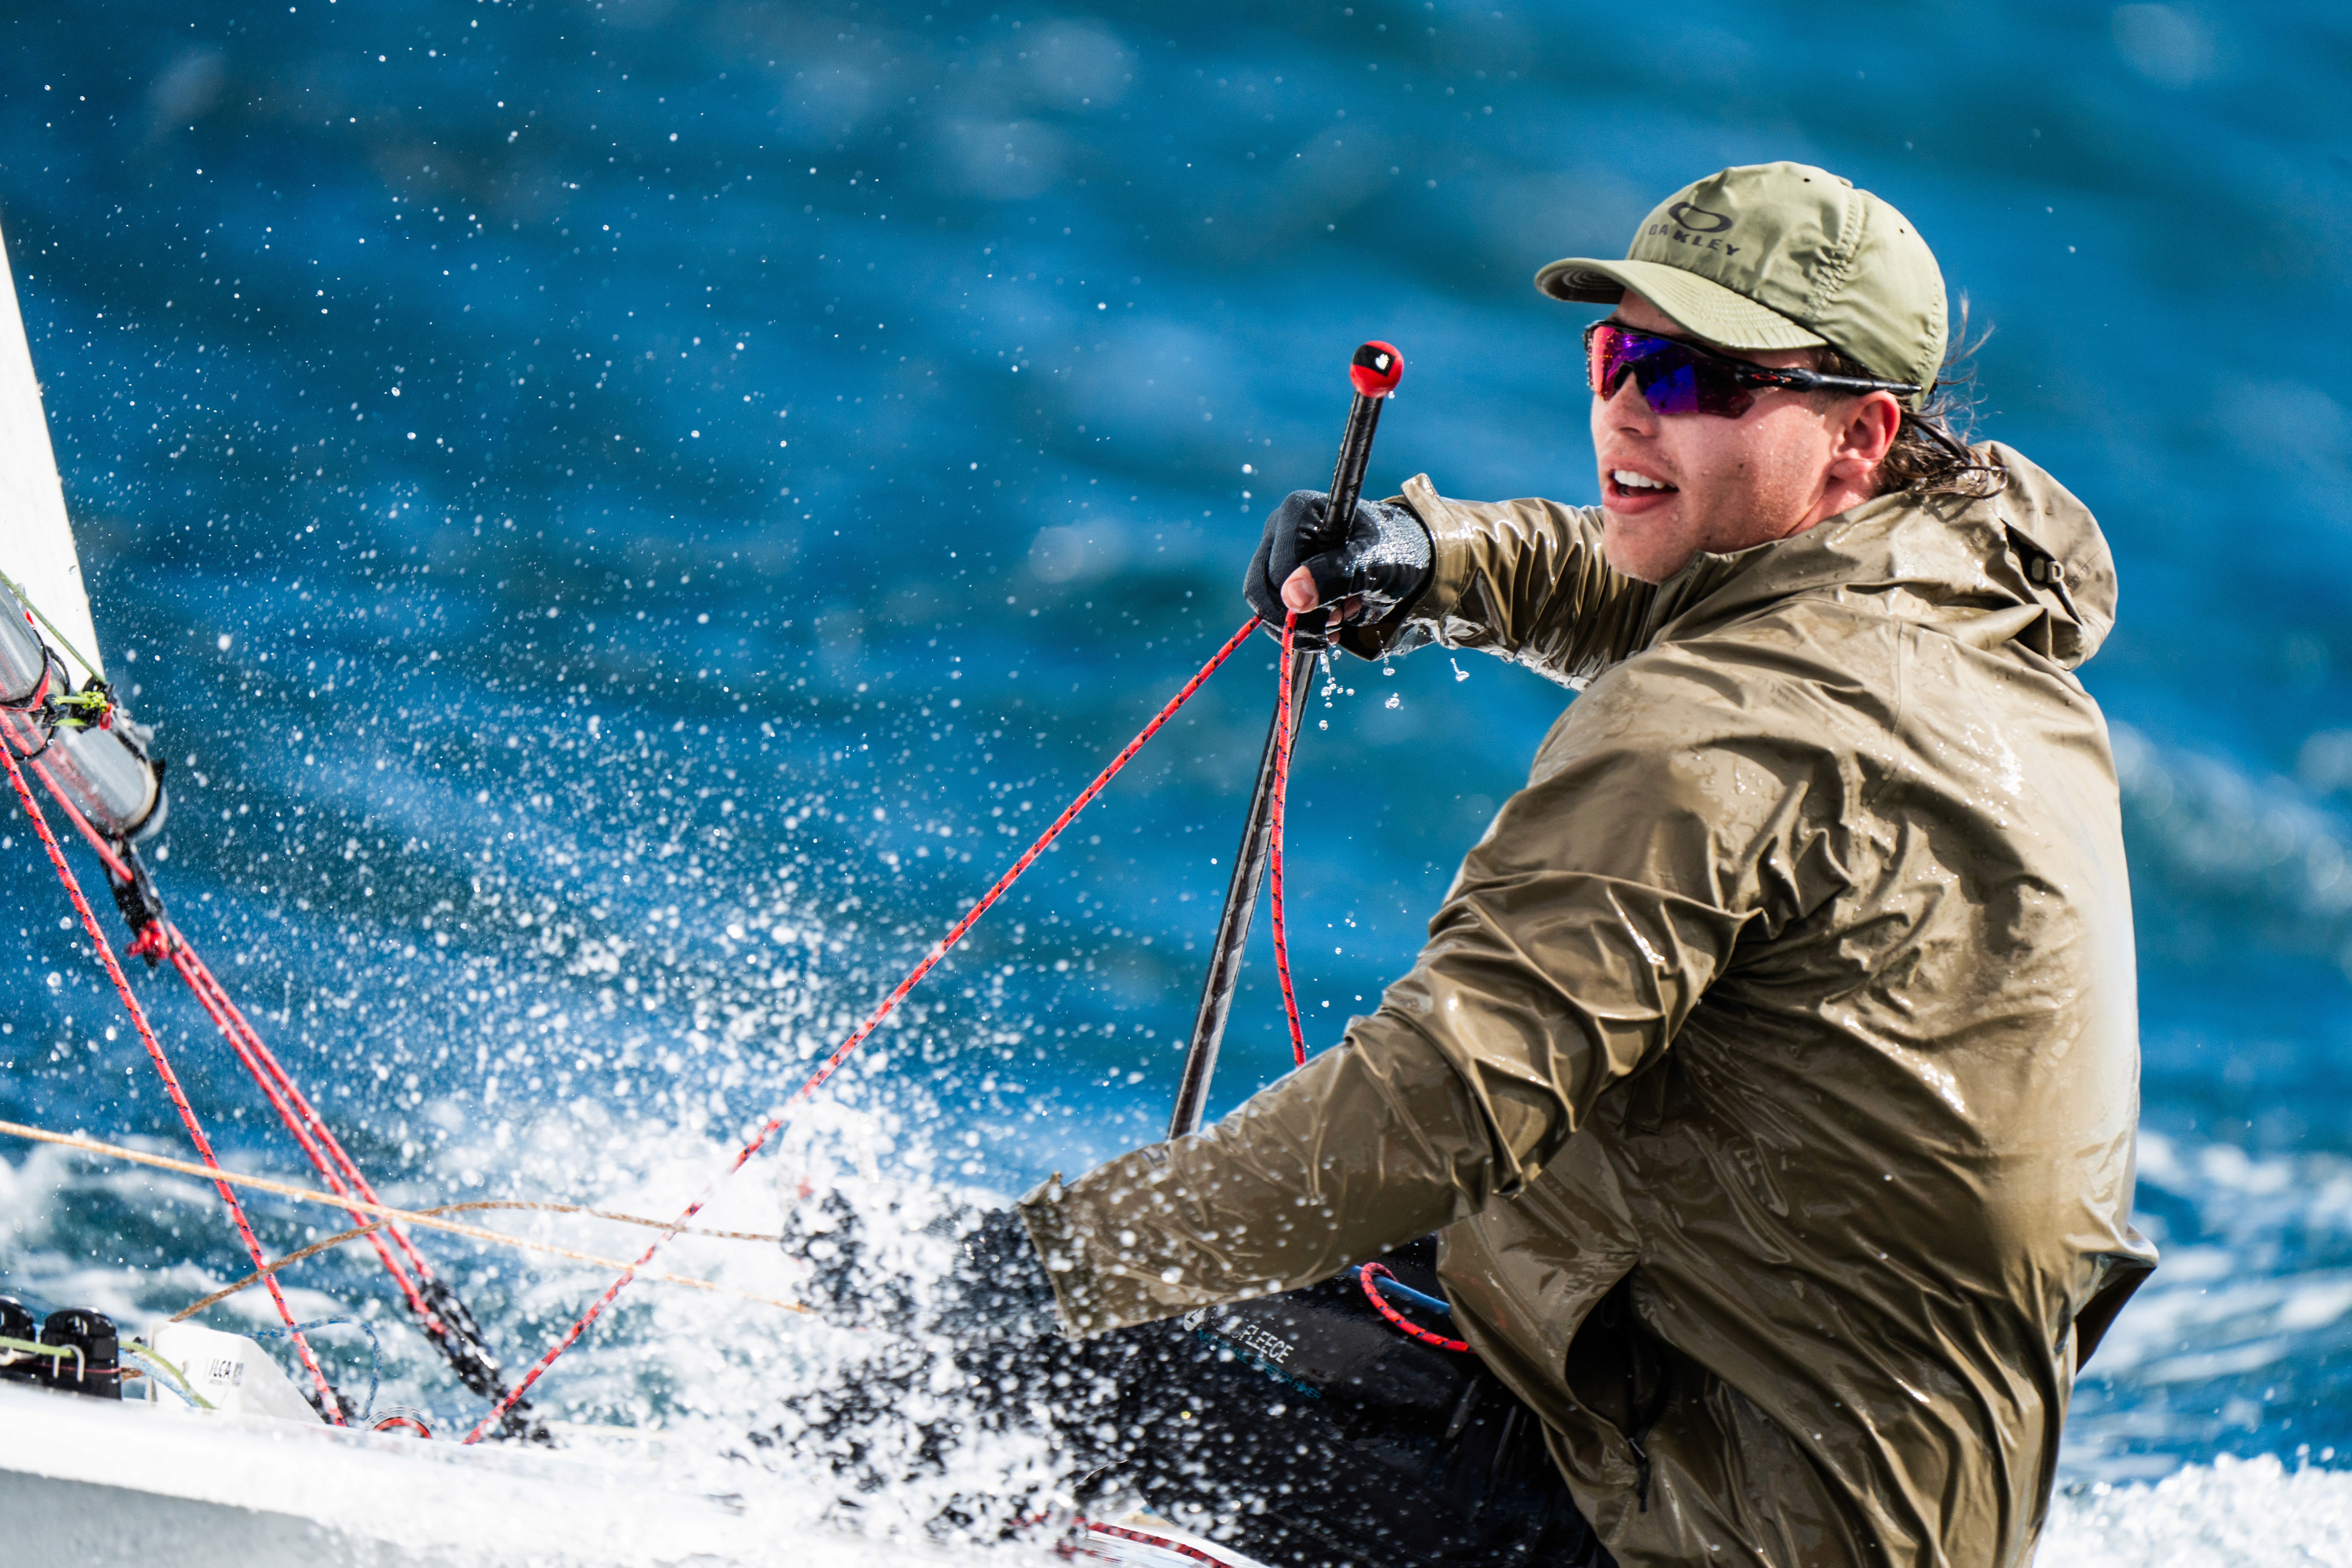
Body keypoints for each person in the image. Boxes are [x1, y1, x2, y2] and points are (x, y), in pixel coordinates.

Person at [803, 161, 2157, 1568]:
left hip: (1704, 1513)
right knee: (1277, 1268)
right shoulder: (1950, 604)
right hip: (1861, 1468)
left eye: (1703, 380)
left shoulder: (1730, 728)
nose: (1632, 408)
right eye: (1619, 352)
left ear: (1860, 434)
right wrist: (1429, 556)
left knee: (986, 1400)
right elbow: (1652, 573)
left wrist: (1033, 1272)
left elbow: (1433, 1112)